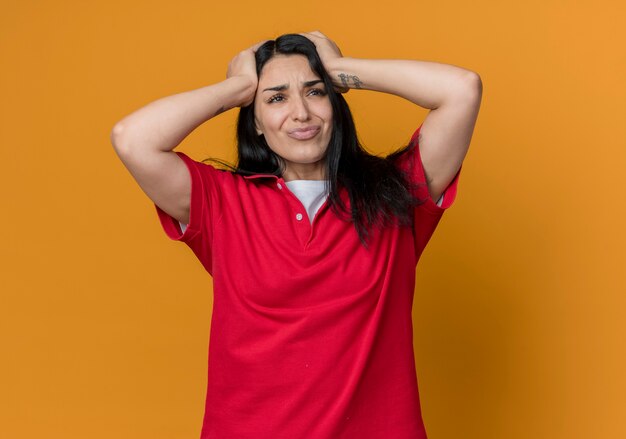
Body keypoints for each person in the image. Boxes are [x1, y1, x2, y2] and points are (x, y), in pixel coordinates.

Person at [110, 31, 482, 439]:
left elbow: (461, 90)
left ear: (335, 105)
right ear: (254, 120)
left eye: (315, 92)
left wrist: (343, 69)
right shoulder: (221, 201)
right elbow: (132, 139)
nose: (301, 112)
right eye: (276, 98)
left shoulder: (394, 194)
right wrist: (238, 88)